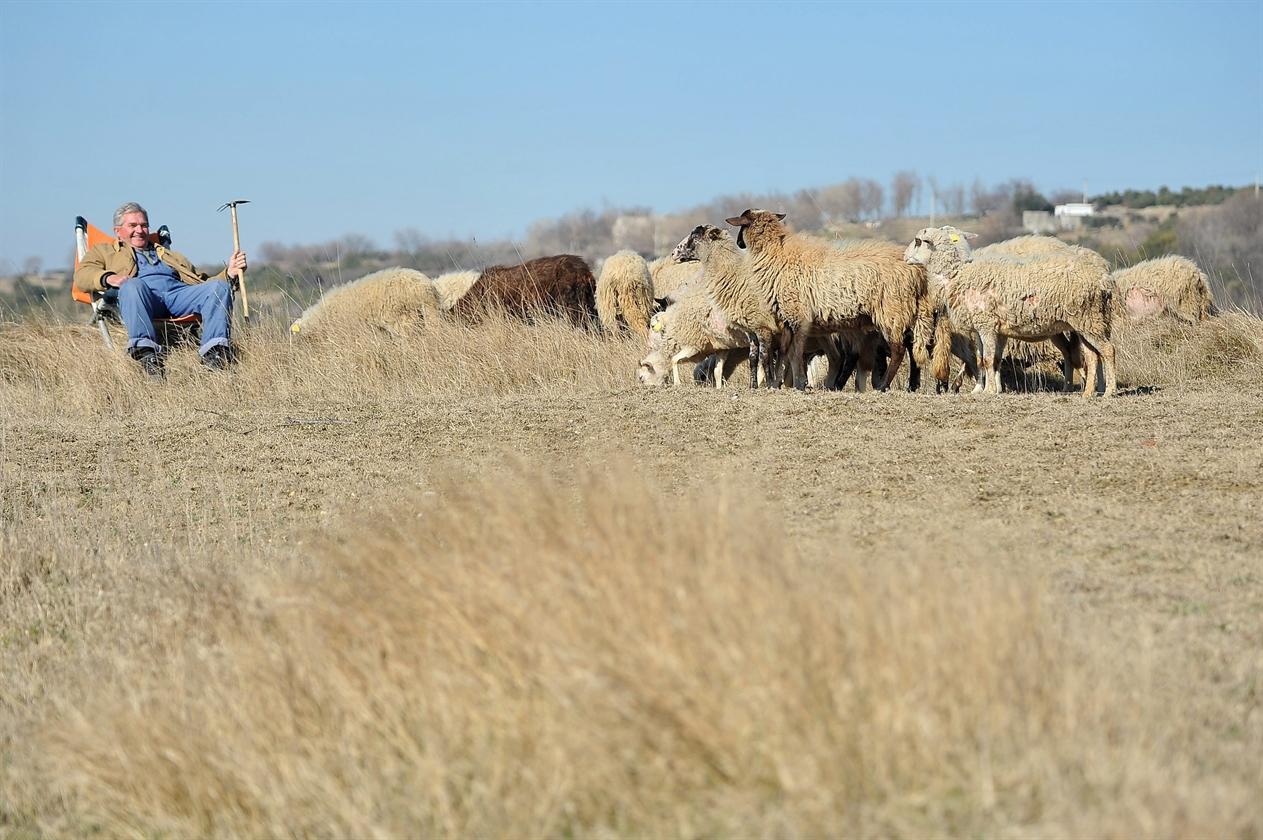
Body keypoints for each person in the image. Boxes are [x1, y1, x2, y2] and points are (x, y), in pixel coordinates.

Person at [73, 201, 248, 376]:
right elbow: (82, 275)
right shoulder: (104, 251)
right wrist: (110, 278)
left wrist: (230, 273)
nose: (140, 230)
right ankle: (147, 355)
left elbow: (203, 282)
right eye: (132, 225)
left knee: (220, 287)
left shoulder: (168, 254)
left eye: (144, 225)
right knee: (132, 284)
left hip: (178, 296)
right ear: (117, 231)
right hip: (143, 298)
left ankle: (215, 355)